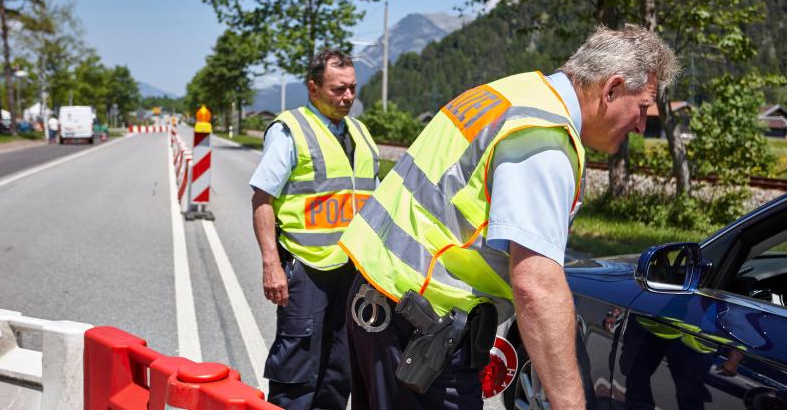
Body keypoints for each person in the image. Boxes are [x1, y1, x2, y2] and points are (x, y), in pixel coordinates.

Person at [338, 25, 678, 410]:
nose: (642, 124)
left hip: (379, 305)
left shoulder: (513, 93)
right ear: (612, 88)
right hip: (421, 334)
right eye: (644, 106)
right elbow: (536, 286)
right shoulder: (543, 138)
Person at [249, 48, 381, 410]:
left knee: (341, 371)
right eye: (339, 89)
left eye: (353, 88)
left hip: (353, 272)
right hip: (307, 268)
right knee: (297, 371)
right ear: (313, 88)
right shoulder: (290, 130)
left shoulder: (361, 132)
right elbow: (262, 198)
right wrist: (270, 263)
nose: (349, 97)